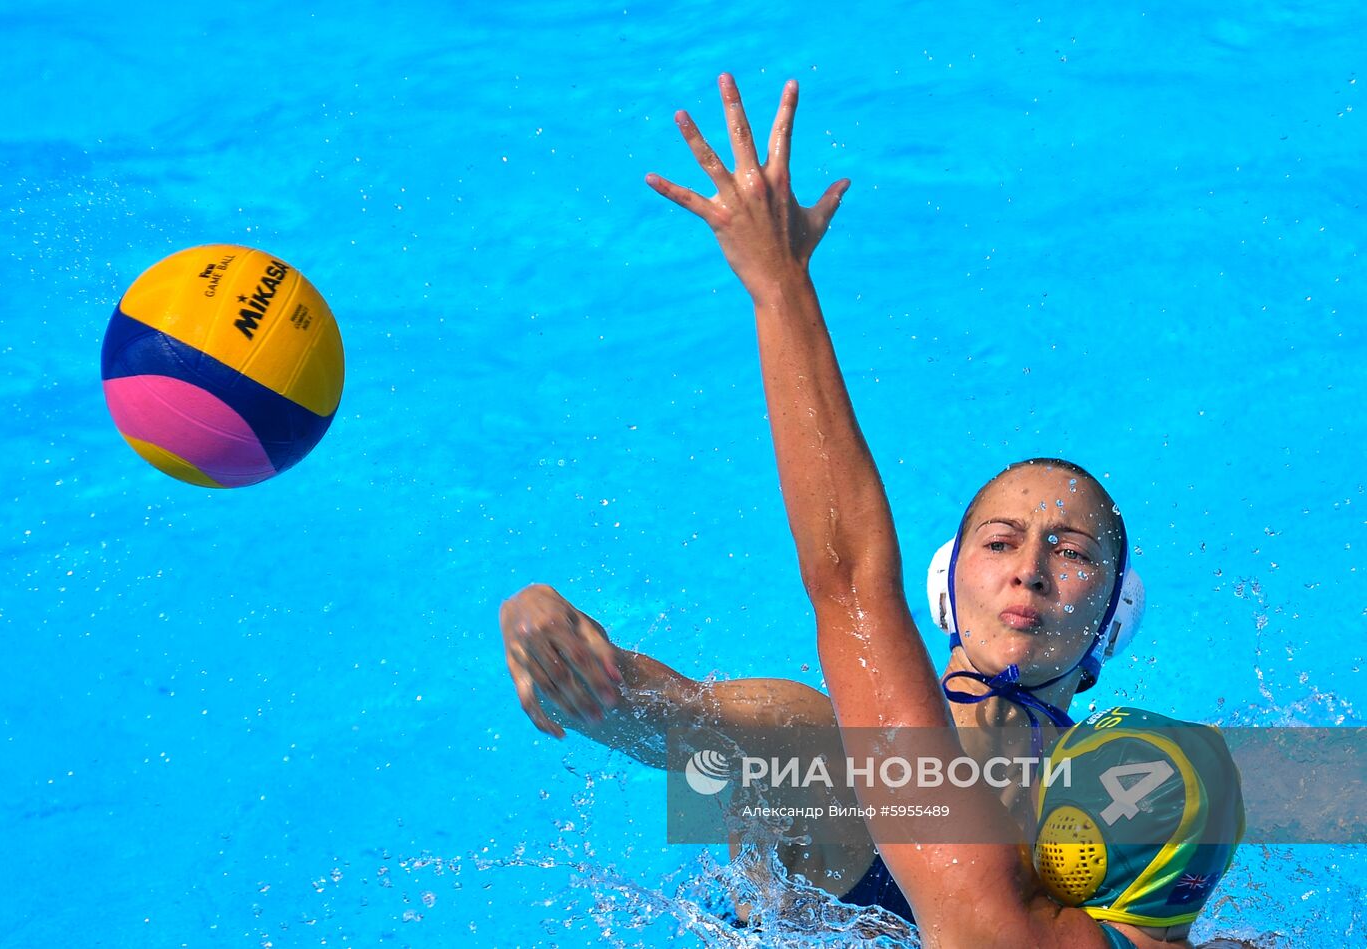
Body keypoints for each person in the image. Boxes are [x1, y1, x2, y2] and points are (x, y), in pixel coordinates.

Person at [501, 75, 1243, 947]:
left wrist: (779, 286)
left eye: (1072, 551)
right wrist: (553, 636)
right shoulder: (825, 750)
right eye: (1000, 539)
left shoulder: (1091, 818)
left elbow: (850, 577)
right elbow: (655, 723)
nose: (1031, 565)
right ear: (946, 580)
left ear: (1115, 614)